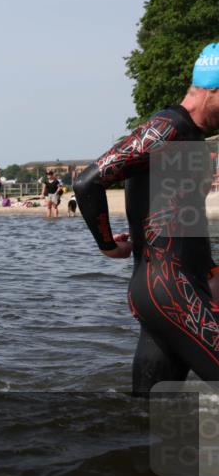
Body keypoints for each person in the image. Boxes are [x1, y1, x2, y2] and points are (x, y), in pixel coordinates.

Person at [74, 42, 219, 395]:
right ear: (213, 91)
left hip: (172, 288)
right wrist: (107, 245)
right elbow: (88, 181)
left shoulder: (191, 138)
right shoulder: (167, 128)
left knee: (149, 421)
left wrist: (210, 272)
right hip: (168, 289)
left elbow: (184, 220)